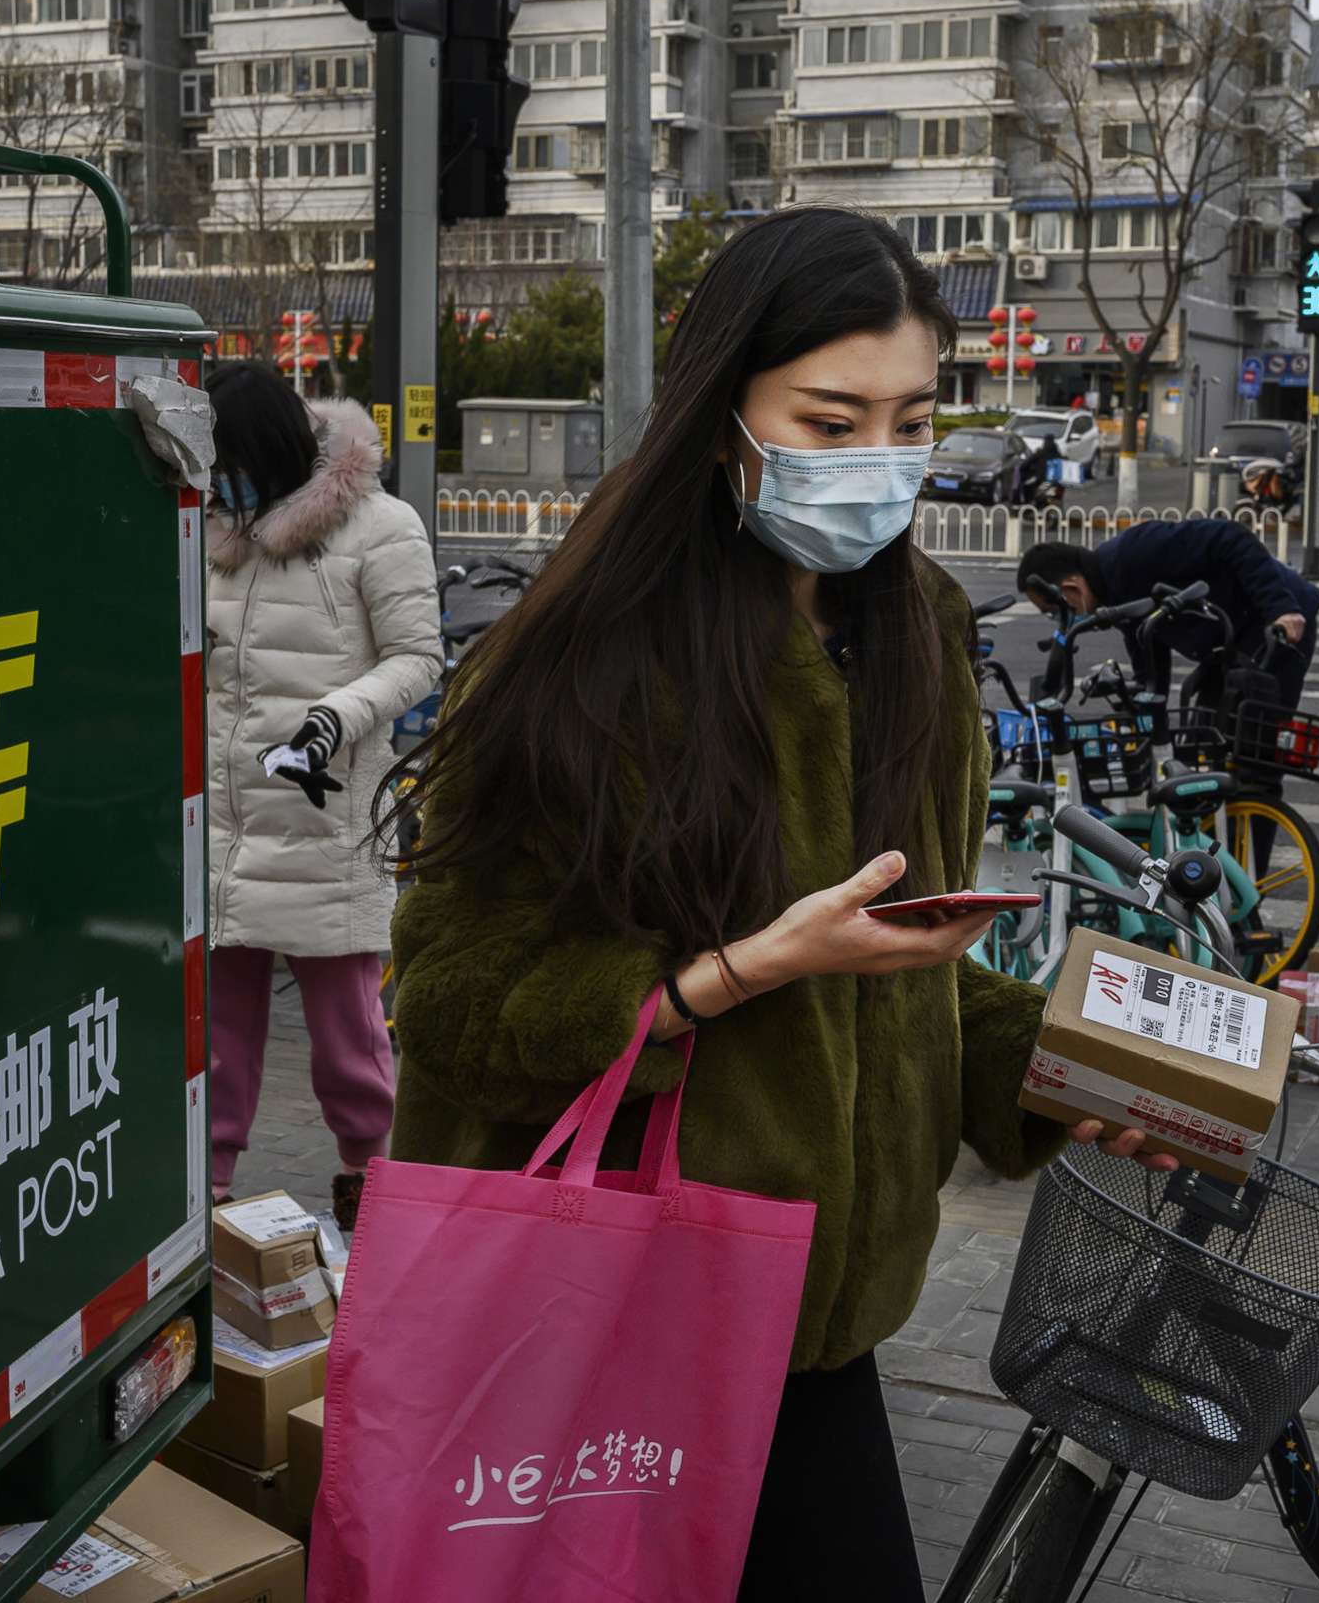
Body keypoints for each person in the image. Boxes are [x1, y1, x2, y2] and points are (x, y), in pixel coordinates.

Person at [381, 208, 1169, 1602]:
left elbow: (906, 968)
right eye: (829, 417)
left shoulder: (914, 627)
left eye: (911, 418)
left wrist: (1071, 1072)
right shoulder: (589, 656)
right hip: (620, 1309)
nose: (878, 461)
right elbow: (447, 1010)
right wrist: (732, 975)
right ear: (721, 411)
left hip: (823, 1328)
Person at [204, 370, 442, 1230]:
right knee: (216, 1044)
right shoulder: (210, 527)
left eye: (229, 467)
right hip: (223, 823)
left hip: (327, 816)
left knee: (350, 1043)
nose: (217, 486)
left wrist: (333, 719)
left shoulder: (381, 527)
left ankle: (371, 1198)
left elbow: (418, 656)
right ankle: (209, 1202)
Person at [1015, 525, 1319, 715]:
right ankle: (1214, 818)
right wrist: (1145, 697)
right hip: (1228, 640)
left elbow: (1232, 537)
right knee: (1204, 739)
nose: (1061, 617)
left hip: (1275, 622)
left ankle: (1253, 815)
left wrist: (1281, 608)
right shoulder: (1113, 595)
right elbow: (1148, 648)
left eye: (1056, 610)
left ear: (1071, 587)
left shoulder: (1136, 551)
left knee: (1253, 748)